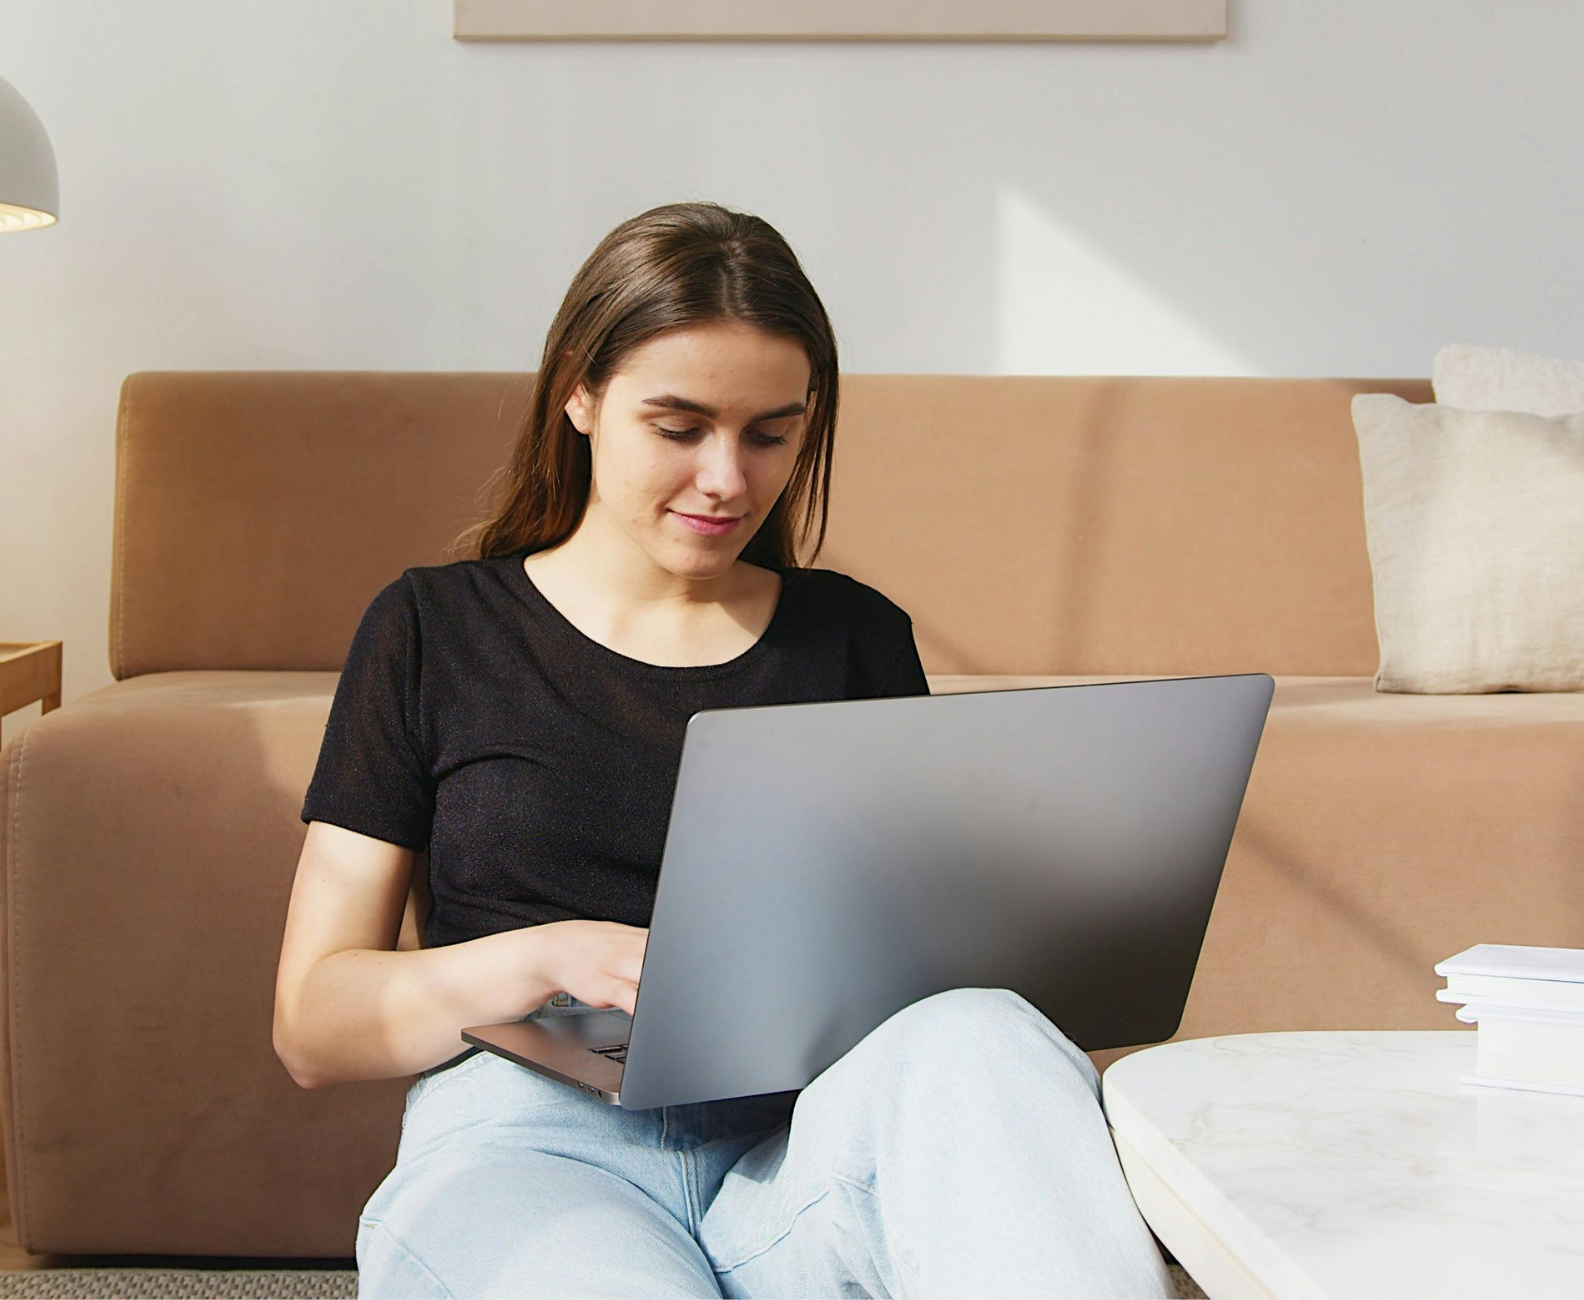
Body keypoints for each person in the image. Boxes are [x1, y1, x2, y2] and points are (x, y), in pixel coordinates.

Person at [272, 201, 1177, 1300]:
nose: (727, 480)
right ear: (580, 391)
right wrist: (549, 959)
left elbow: (920, 981)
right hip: (528, 1143)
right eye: (679, 425)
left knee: (980, 1031)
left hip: (795, 1159)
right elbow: (313, 1023)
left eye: (770, 433)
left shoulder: (853, 637)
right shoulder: (434, 629)